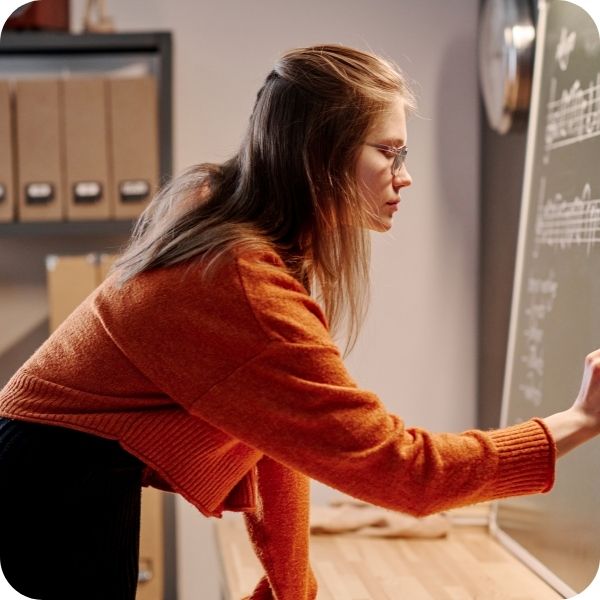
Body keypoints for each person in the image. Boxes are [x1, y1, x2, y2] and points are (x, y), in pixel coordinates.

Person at [0, 44, 599, 600]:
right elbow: (406, 471)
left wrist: (293, 590)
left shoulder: (233, 215)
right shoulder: (240, 281)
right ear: (321, 152)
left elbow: (278, 437)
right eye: (388, 152)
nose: (405, 175)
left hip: (54, 472)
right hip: (52, 492)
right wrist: (576, 421)